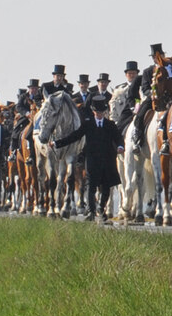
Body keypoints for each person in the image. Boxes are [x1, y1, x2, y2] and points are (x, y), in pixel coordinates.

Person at [51, 93, 123, 222]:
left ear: (104, 112)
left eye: (101, 112)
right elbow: (75, 136)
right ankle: (91, 211)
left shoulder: (110, 125)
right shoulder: (88, 124)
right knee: (91, 186)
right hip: (92, 160)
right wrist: (58, 143)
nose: (99, 114)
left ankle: (101, 207)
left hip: (107, 160)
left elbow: (118, 138)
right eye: (97, 111)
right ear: (93, 111)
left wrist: (120, 146)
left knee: (106, 186)